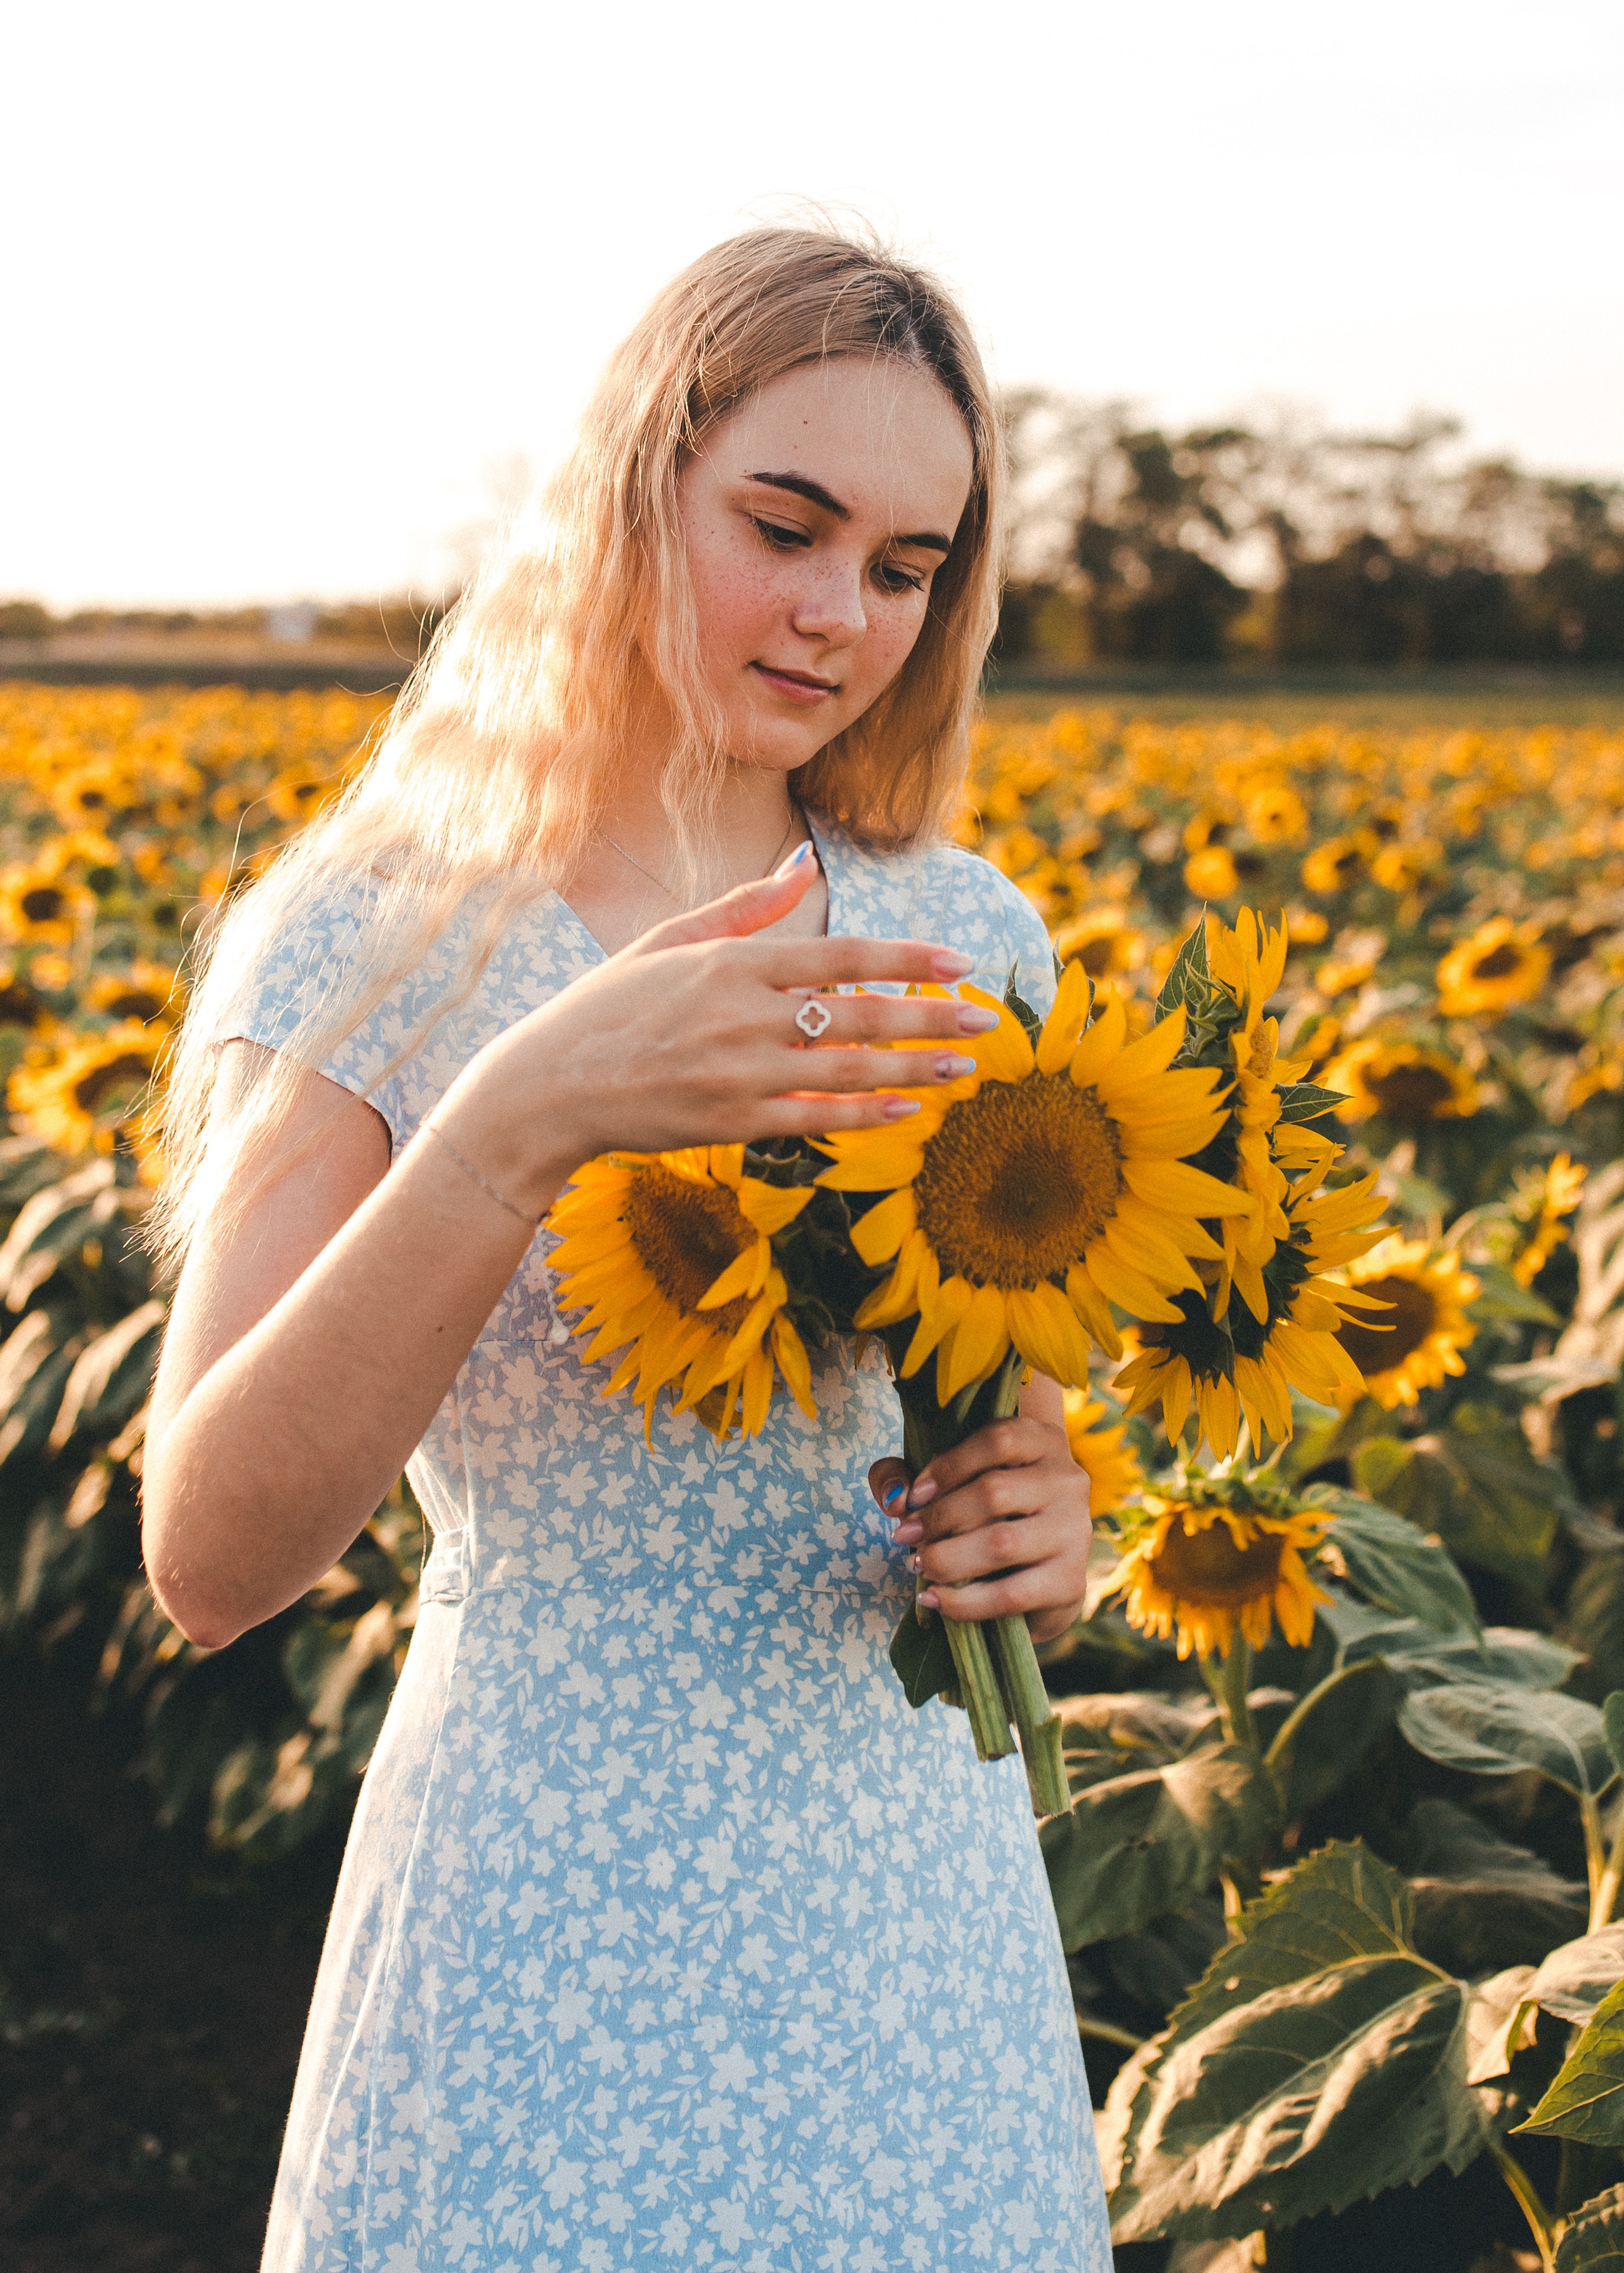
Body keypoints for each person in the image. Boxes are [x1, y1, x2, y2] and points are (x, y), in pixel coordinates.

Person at [143, 225, 1111, 2273]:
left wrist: (1047, 1522)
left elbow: (998, 1440)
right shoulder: (379, 939)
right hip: (546, 1899)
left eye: (909, 564)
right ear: (629, 486)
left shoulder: (968, 939)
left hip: (910, 1913)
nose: (842, 611)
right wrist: (518, 1119)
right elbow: (214, 1558)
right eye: (788, 523)